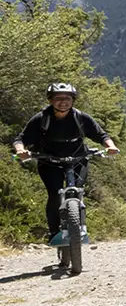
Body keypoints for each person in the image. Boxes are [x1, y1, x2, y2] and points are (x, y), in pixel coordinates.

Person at [13, 83, 118, 243]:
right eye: (58, 98)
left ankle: (78, 226)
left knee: (77, 191)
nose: (63, 102)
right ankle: (54, 232)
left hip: (78, 159)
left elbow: (101, 135)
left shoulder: (80, 117)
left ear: (73, 100)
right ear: (50, 100)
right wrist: (21, 150)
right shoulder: (41, 118)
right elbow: (21, 139)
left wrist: (111, 147)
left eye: (67, 98)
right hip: (49, 161)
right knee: (55, 195)